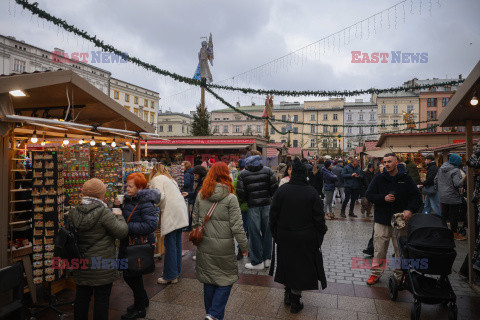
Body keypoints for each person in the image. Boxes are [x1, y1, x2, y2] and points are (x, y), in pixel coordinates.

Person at [269, 158, 327, 314]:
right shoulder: (311, 192)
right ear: (305, 175)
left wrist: (275, 233)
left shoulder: (282, 190)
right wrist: (319, 236)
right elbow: (319, 219)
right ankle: (295, 300)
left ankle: (288, 294)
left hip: (285, 235)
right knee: (300, 268)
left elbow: (273, 215)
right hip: (305, 237)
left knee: (287, 264)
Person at [193, 162, 249, 320]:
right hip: (224, 247)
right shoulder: (231, 198)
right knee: (226, 279)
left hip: (204, 245)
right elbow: (237, 227)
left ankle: (211, 315)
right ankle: (213, 315)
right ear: (227, 176)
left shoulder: (201, 195)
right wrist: (244, 246)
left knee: (209, 280)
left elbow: (195, 223)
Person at [70, 178, 128, 320]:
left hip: (81, 263)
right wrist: (119, 216)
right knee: (101, 300)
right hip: (102, 265)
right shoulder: (104, 212)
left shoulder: (74, 212)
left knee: (82, 298)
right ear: (101, 194)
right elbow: (121, 232)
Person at [365, 153, 422, 285]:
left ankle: (400, 275)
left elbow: (416, 197)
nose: (386, 164)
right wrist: (383, 198)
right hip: (382, 220)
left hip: (400, 220)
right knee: (379, 249)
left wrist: (410, 210)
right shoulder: (379, 178)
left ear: (396, 163)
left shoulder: (406, 179)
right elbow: (369, 195)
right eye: (384, 162)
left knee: (400, 250)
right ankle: (376, 273)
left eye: (389, 162)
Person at [117, 173, 160, 320]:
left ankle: (140, 309)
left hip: (137, 244)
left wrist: (126, 226)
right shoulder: (130, 200)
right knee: (132, 275)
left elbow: (151, 225)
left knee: (132, 276)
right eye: (126, 185)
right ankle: (142, 301)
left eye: (130, 186)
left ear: (140, 187)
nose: (127, 189)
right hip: (128, 243)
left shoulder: (145, 203)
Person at [237, 150, 278, 270]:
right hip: (266, 205)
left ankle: (257, 261)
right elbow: (274, 189)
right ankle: (267, 260)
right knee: (267, 233)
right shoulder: (268, 171)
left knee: (254, 234)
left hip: (253, 206)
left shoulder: (243, 174)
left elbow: (240, 192)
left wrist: (248, 199)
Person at [149, 164, 189, 285]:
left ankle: (170, 275)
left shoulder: (156, 179)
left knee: (170, 243)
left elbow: (159, 197)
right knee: (177, 243)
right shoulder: (171, 180)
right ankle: (175, 271)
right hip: (180, 211)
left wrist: (152, 204)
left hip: (171, 213)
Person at [435, 154, 467, 240]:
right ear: (457, 162)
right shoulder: (456, 170)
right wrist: (464, 180)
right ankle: (454, 234)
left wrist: (440, 190)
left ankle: (443, 233)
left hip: (442, 196)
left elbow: (436, 180)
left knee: (444, 216)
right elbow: (457, 184)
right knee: (454, 217)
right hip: (452, 197)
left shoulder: (441, 168)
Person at [363, 164, 384, 256]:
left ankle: (401, 253)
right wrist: (381, 198)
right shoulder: (377, 177)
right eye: (381, 166)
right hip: (381, 209)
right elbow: (370, 194)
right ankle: (371, 248)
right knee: (376, 231)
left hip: (397, 211)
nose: (383, 167)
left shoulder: (401, 179)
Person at [233, 159, 249, 260]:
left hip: (242, 207)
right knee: (251, 231)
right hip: (252, 206)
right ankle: (250, 251)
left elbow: (236, 192)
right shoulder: (251, 174)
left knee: (242, 230)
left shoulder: (238, 177)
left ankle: (240, 250)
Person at [183, 165, 208, 231]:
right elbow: (196, 193)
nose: (195, 177)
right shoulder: (201, 182)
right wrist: (188, 194)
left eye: (196, 175)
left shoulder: (205, 183)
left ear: (200, 174)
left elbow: (199, 195)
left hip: (200, 207)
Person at [182, 161, 194, 230]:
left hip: (187, 192)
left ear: (186, 166)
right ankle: (189, 225)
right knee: (189, 209)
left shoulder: (187, 174)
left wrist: (181, 183)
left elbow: (186, 183)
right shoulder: (190, 172)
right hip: (190, 192)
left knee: (187, 210)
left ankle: (188, 226)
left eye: (183, 165)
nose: (181, 167)